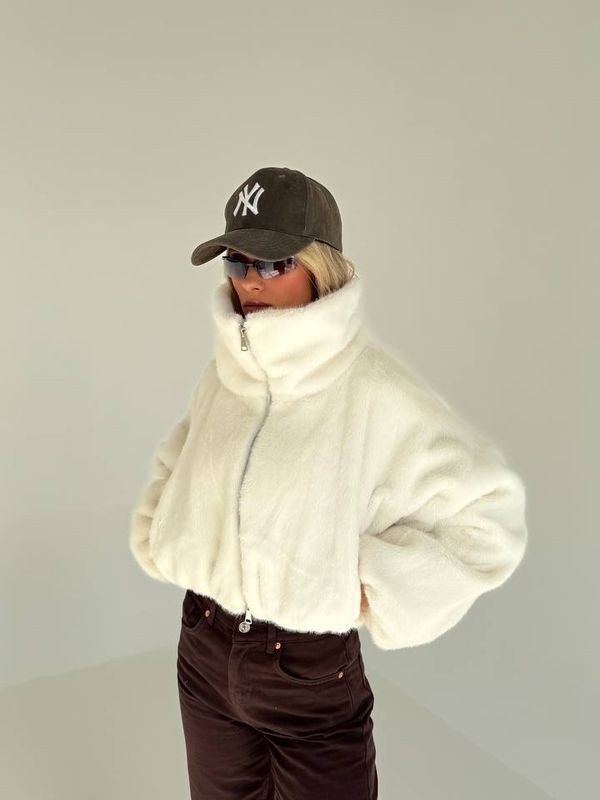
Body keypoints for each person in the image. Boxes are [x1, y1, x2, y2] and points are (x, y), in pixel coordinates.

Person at [129, 166, 528, 800]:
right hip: (202, 646)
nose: (250, 282)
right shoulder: (225, 375)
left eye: (274, 262)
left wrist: (364, 580)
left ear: (321, 267)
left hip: (308, 673)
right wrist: (161, 529)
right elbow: (180, 454)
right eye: (237, 262)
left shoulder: (373, 388)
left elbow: (489, 521)